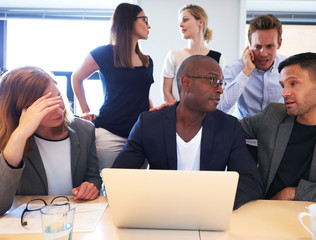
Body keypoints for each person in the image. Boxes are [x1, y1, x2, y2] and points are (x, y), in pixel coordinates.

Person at [113, 55, 263, 209]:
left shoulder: (228, 127)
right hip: (161, 213)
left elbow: (250, 182)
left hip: (208, 214)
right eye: (213, 81)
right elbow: (119, 176)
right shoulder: (149, 124)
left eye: (221, 83)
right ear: (186, 83)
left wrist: (213, 203)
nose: (219, 90)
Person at [239, 52, 316, 206]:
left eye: (293, 83)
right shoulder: (273, 115)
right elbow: (228, 128)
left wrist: (293, 193)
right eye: (283, 85)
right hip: (265, 212)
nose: (284, 93)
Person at [0, 66, 102, 215]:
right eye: (46, 104)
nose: (59, 108)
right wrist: (20, 134)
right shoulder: (9, 139)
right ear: (20, 109)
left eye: (58, 96)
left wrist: (91, 186)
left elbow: (93, 177)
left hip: (74, 217)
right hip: (29, 222)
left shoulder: (85, 130)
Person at [72, 3, 153, 170]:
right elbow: (76, 77)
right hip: (110, 133)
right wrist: (85, 110)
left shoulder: (147, 61)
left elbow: (141, 93)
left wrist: (154, 112)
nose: (148, 25)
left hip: (140, 135)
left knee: (137, 189)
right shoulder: (103, 53)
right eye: (144, 19)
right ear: (128, 21)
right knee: (111, 188)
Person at [217, 14, 286, 159]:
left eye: (269, 46)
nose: (263, 53)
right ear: (249, 45)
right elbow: (221, 106)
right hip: (243, 142)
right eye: (258, 46)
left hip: (279, 143)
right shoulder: (235, 69)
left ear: (279, 44)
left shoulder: (288, 68)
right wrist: (246, 71)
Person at [161, 4, 225, 103]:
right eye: (179, 22)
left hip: (207, 116)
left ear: (200, 21)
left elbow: (219, 91)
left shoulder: (217, 58)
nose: (180, 25)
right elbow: (166, 92)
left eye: (185, 19)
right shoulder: (173, 56)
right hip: (178, 115)